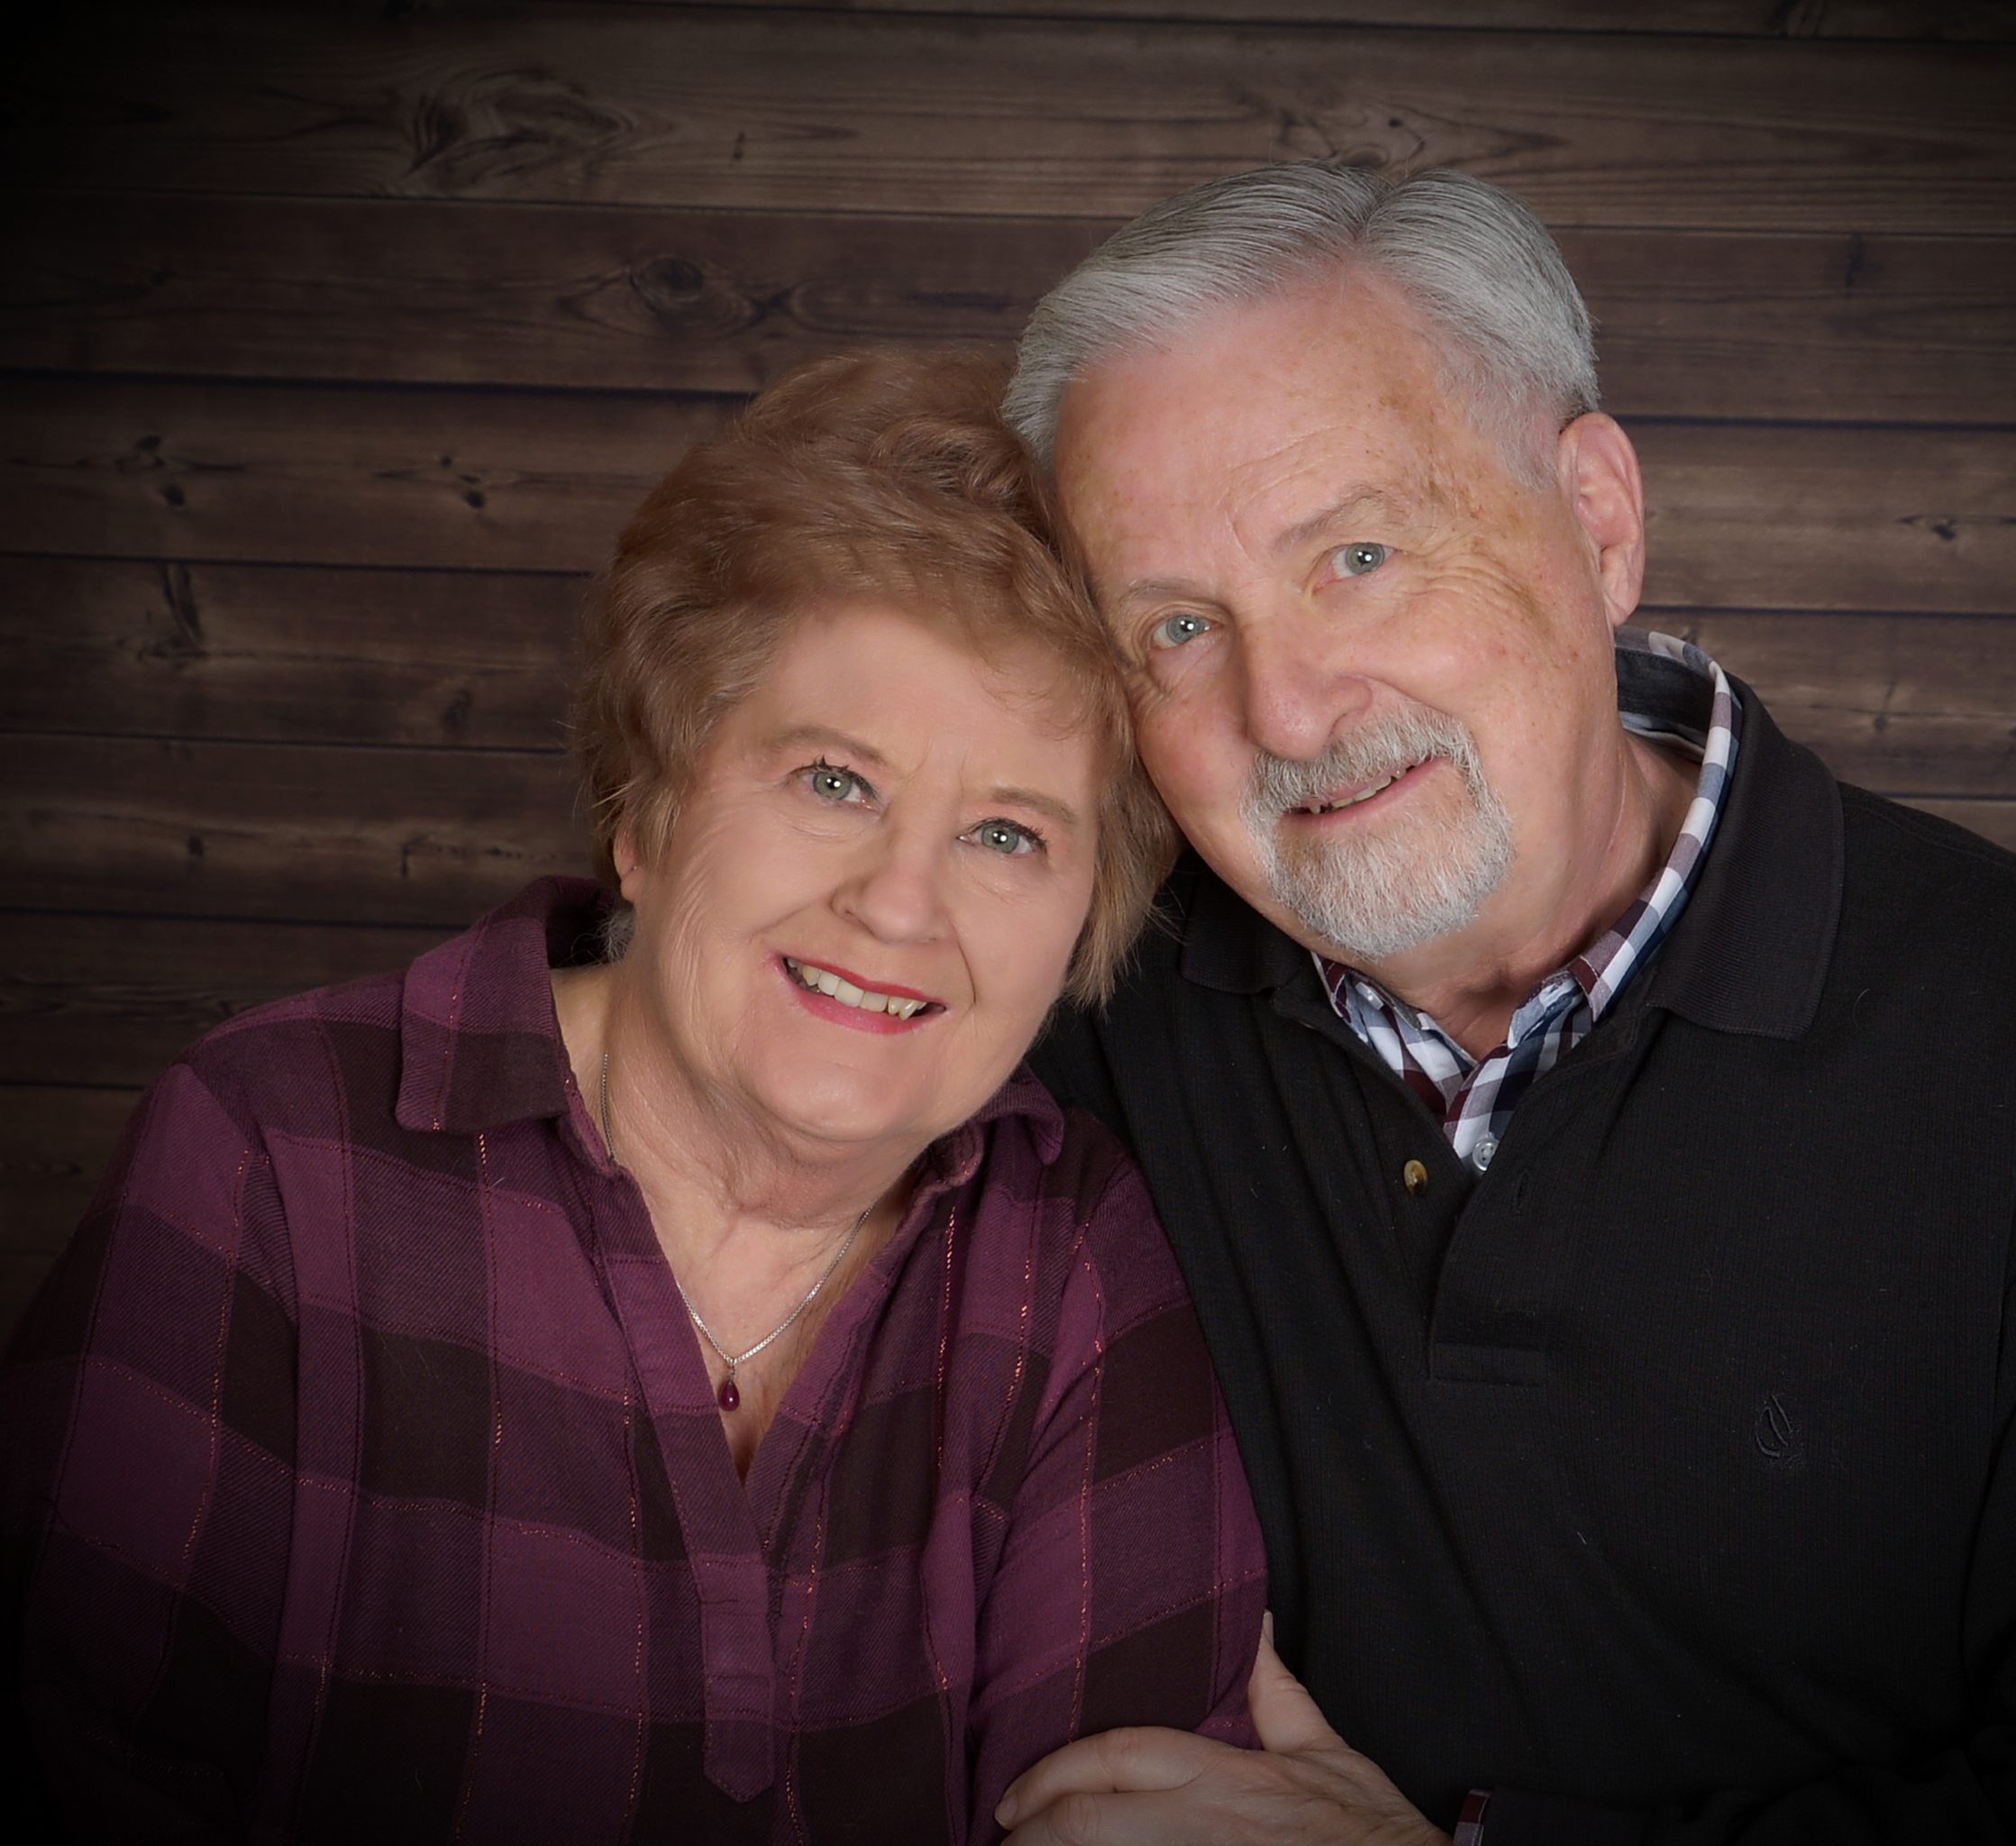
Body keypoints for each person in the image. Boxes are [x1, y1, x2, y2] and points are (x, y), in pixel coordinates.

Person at [990, 164, 2016, 1843]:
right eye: (1179, 626)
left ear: (1599, 522)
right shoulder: (1082, 997)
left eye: (1361, 556)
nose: (1293, 710)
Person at [0, 349, 1265, 1842]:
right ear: (648, 812)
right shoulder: (271, 1153)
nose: (899, 906)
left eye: (1007, 835)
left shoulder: (1080, 1252)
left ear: (1083, 927)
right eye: (834, 781)